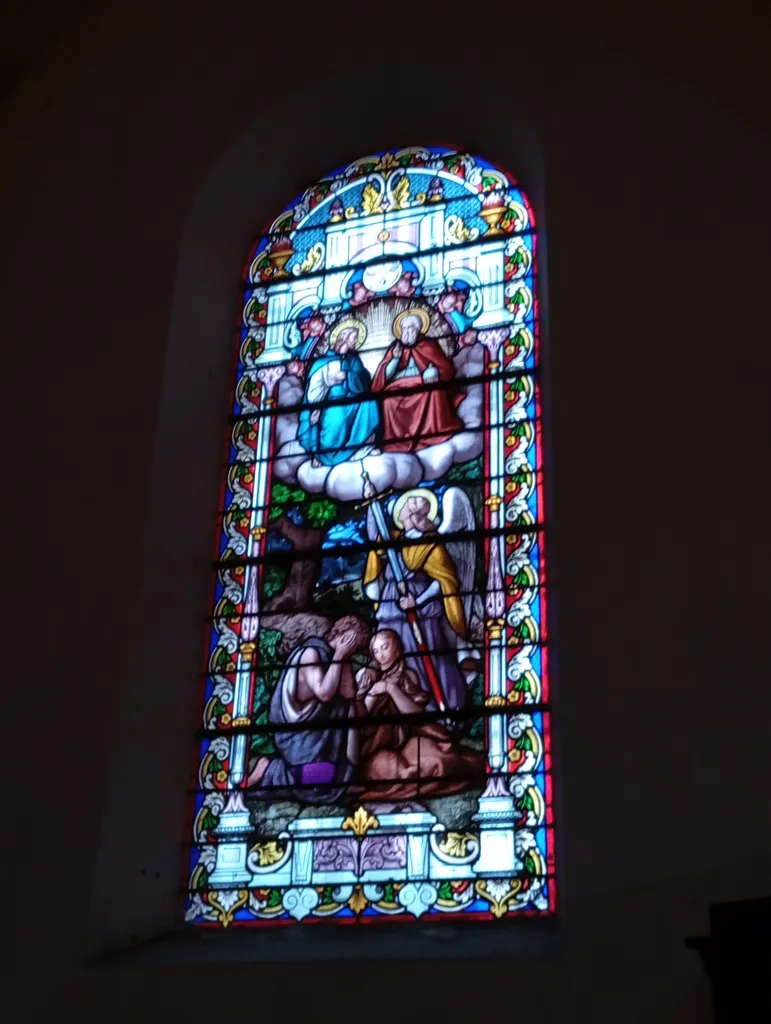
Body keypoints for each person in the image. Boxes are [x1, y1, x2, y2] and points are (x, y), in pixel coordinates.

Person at [363, 488, 469, 712]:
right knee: (388, 656)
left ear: (413, 515)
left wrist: (417, 601)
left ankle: (437, 707)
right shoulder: (395, 539)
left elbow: (442, 580)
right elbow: (375, 538)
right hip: (391, 604)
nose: (399, 510)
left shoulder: (430, 543)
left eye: (404, 507)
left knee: (423, 656)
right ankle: (393, 709)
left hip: (419, 609)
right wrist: (371, 504)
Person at [245, 615, 370, 803]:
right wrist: (340, 655)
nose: (353, 648)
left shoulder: (335, 660)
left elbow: (349, 695)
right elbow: (324, 693)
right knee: (315, 783)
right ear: (342, 633)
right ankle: (270, 768)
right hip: (297, 737)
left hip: (317, 739)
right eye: (352, 641)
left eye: (357, 646)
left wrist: (344, 660)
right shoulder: (310, 653)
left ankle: (344, 776)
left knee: (347, 710)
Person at [355, 630, 484, 801]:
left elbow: (413, 713)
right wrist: (370, 694)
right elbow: (362, 719)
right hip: (376, 745)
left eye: (385, 647)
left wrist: (390, 689)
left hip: (409, 735)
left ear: (396, 648)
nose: (381, 655)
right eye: (376, 650)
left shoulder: (408, 676)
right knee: (398, 774)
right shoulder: (365, 677)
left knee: (442, 761)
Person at [372, 308, 464, 451]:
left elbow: (445, 367)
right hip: (399, 384)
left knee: (433, 391)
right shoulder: (396, 348)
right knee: (388, 400)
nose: (407, 331)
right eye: (404, 328)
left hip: (423, 382)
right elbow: (384, 376)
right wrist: (395, 359)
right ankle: (395, 441)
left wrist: (434, 374)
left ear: (419, 329)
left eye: (411, 327)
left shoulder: (428, 345)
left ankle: (432, 433)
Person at [296, 318, 380, 467]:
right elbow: (315, 387)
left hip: (353, 400)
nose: (356, 342)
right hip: (331, 402)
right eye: (354, 338)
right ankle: (323, 456)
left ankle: (362, 448)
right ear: (344, 338)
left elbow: (364, 379)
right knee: (334, 428)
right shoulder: (324, 361)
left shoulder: (353, 359)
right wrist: (317, 407)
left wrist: (348, 376)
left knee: (369, 403)